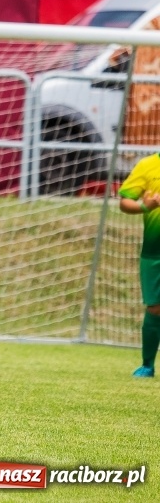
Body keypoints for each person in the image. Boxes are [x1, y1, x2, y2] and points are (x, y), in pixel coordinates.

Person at [118, 155, 160, 378]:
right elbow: (124, 201)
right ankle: (147, 365)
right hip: (154, 251)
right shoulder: (147, 165)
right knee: (154, 308)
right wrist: (146, 205)